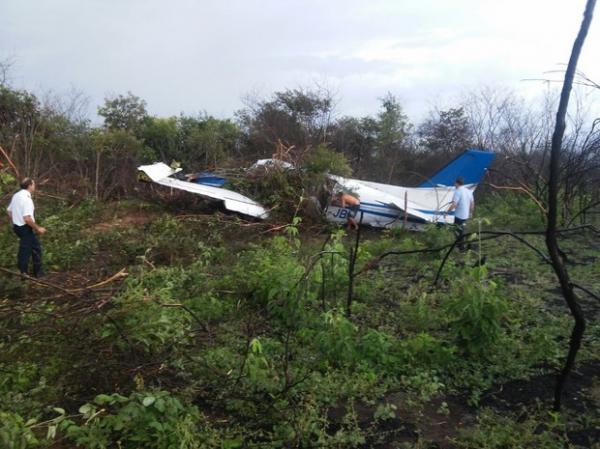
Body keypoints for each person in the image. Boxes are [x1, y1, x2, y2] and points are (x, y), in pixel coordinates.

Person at [6, 178, 46, 277]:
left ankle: (36, 272)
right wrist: (38, 228)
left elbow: (9, 211)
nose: (34, 186)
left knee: (35, 248)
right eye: (33, 184)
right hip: (25, 228)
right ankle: (24, 274)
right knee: (25, 250)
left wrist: (16, 219)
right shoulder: (27, 199)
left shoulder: (16, 195)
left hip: (17, 227)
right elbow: (27, 219)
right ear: (29, 186)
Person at [445, 176, 474, 250]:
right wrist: (470, 213)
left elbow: (454, 204)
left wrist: (447, 212)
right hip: (465, 215)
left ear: (456, 183)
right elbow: (472, 203)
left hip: (459, 215)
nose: (454, 185)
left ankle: (460, 247)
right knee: (462, 230)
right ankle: (463, 245)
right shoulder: (468, 191)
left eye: (455, 183)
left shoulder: (458, 191)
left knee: (458, 231)